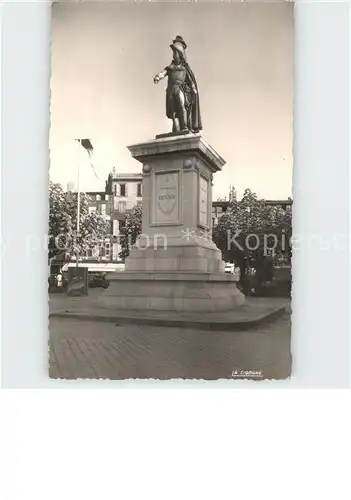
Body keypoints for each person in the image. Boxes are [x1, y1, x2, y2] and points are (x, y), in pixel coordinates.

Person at [153, 35, 202, 133]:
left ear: (180, 55)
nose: (174, 55)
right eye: (173, 53)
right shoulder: (170, 67)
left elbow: (190, 81)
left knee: (181, 105)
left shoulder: (184, 68)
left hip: (180, 88)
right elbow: (163, 73)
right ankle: (176, 129)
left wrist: (193, 88)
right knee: (173, 111)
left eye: (175, 53)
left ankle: (184, 127)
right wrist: (158, 77)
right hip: (171, 89)